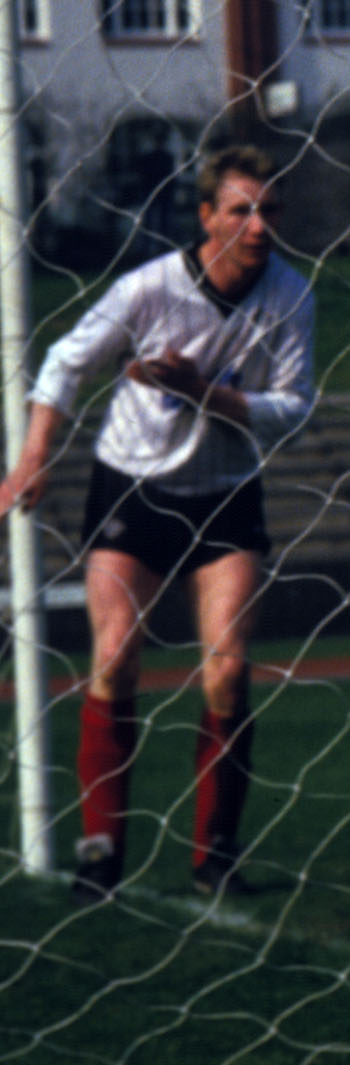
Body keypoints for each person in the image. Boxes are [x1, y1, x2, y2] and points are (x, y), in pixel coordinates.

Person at [0, 146, 315, 902]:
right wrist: (35, 453)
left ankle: (216, 858)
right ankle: (101, 852)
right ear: (206, 217)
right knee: (115, 657)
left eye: (270, 209)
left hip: (225, 493)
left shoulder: (291, 294)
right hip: (131, 488)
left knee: (230, 667)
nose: (258, 224)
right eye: (241, 209)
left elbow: (294, 407)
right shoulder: (148, 289)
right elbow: (65, 364)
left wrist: (203, 392)